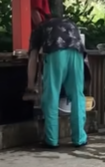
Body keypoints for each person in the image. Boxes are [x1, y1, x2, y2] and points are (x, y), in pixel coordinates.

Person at [26, 17, 88, 148]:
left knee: (51, 95)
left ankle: (52, 140)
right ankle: (79, 138)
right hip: (77, 53)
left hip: (56, 53)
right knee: (77, 95)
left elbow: (33, 59)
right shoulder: (69, 22)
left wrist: (30, 85)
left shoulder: (38, 30)